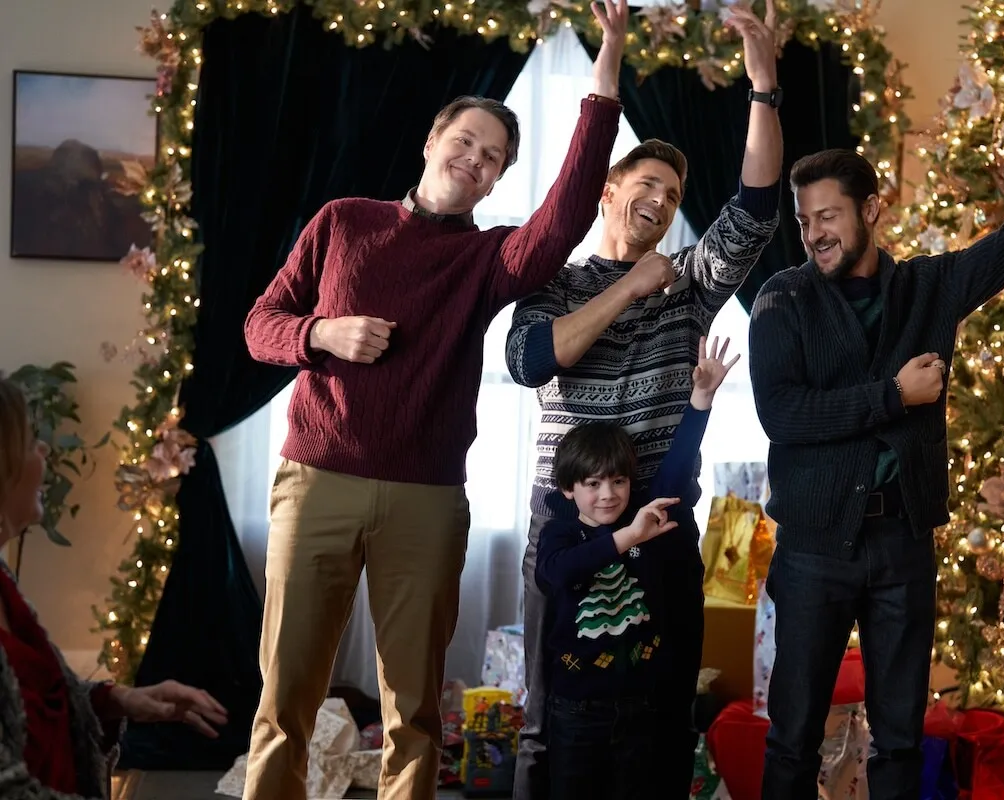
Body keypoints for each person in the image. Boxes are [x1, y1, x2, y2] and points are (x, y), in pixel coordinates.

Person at [239, 2, 629, 797]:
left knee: (413, 710)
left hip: (427, 499)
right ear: (431, 142)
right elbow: (259, 327)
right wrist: (323, 334)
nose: (474, 160)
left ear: (498, 177)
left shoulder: (490, 260)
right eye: (464, 143)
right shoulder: (343, 222)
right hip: (317, 481)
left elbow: (566, 214)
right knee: (285, 701)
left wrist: (608, 64)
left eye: (491, 158)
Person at [747, 38, 1004, 800]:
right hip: (815, 549)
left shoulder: (931, 287)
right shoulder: (781, 301)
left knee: (898, 740)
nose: (815, 231)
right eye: (804, 219)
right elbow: (782, 415)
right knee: (791, 737)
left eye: (829, 215)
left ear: (873, 210)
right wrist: (893, 397)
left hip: (902, 546)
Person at [505, 3, 783, 795]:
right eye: (646, 184)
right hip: (564, 523)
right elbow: (529, 362)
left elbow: (758, 209)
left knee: (661, 716)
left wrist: (763, 86)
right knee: (545, 723)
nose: (660, 198)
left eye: (672, 190)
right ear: (608, 194)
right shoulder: (556, 278)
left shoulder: (690, 283)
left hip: (660, 519)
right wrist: (629, 285)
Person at [0, 375, 228, 800]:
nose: (45, 451)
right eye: (32, 442)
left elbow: (40, 701)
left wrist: (121, 699)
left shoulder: (4, 584)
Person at [535, 336, 739, 800]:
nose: (607, 494)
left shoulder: (645, 521)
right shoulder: (561, 536)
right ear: (569, 489)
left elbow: (675, 469)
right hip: (575, 712)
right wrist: (627, 538)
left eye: (619, 481)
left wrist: (700, 402)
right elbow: (557, 573)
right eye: (593, 484)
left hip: (640, 710)